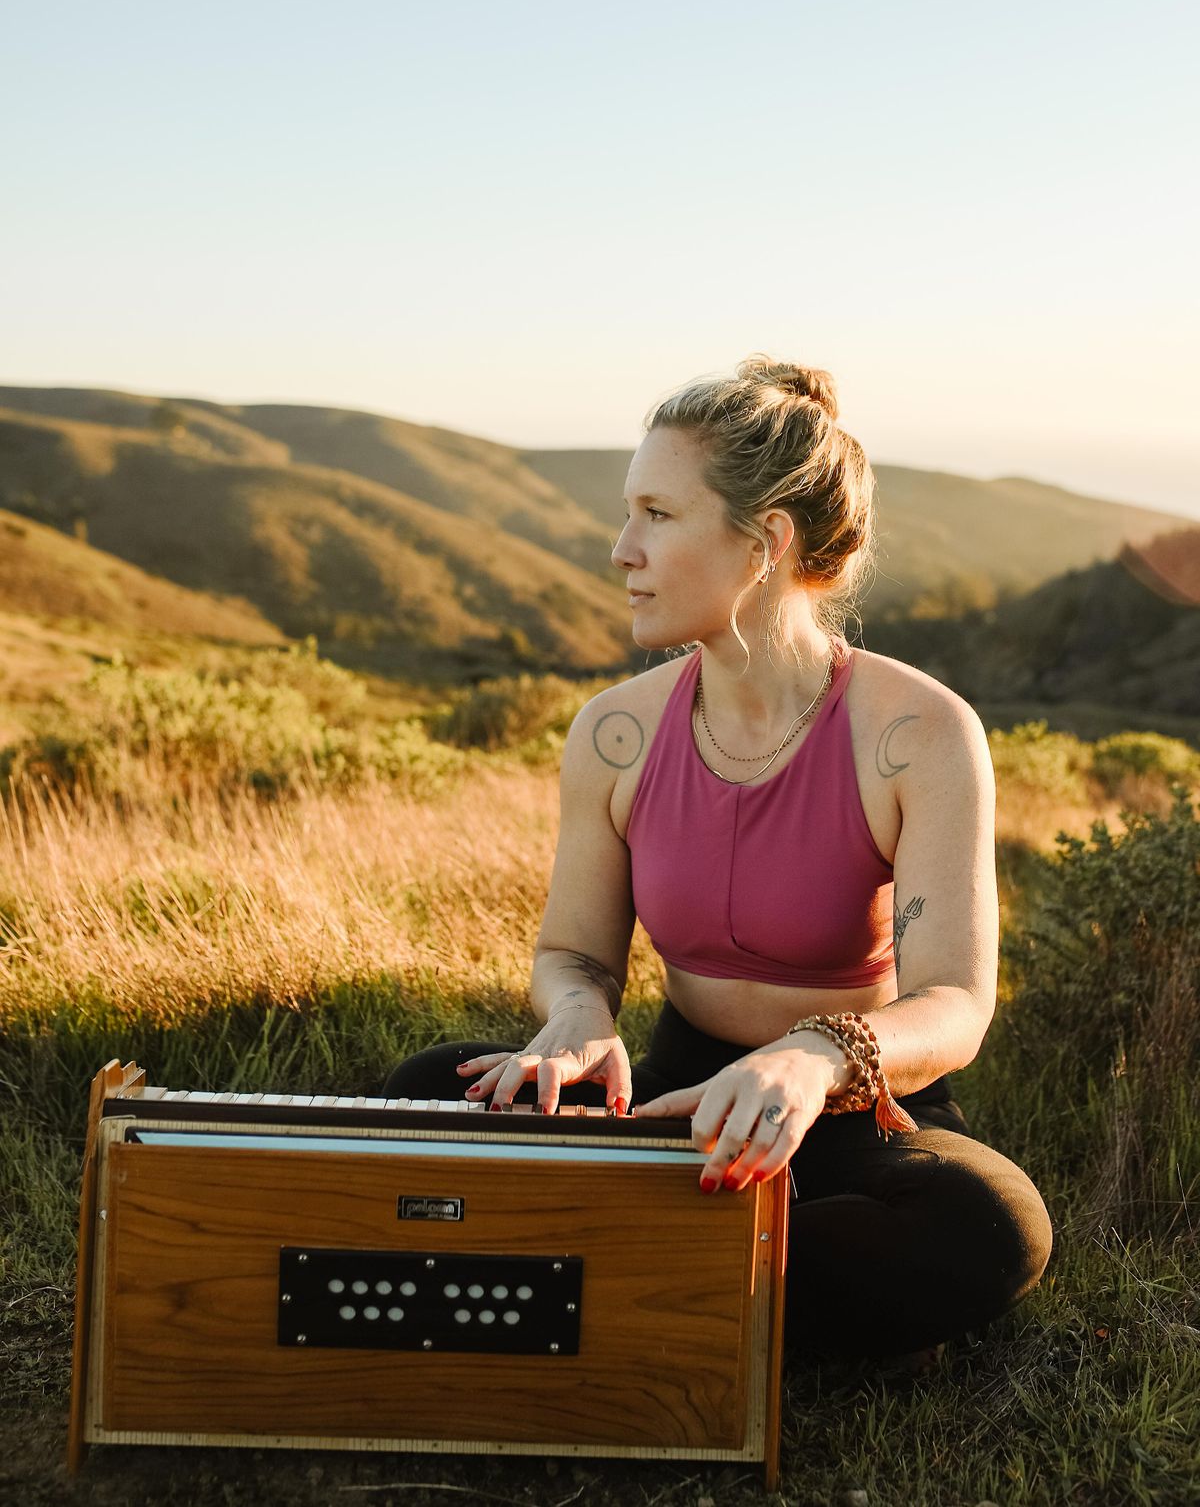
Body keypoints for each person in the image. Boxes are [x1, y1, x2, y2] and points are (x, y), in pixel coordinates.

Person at [384, 355, 1053, 1361]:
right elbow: (575, 952)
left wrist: (815, 1055)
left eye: (656, 513)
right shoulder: (614, 733)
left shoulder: (918, 733)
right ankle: (699, 1296)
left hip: (845, 1112)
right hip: (671, 1099)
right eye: (627, 513)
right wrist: (576, 1016)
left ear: (764, 543)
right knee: (430, 1089)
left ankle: (592, 1288)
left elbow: (954, 1001)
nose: (622, 549)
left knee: (986, 1225)